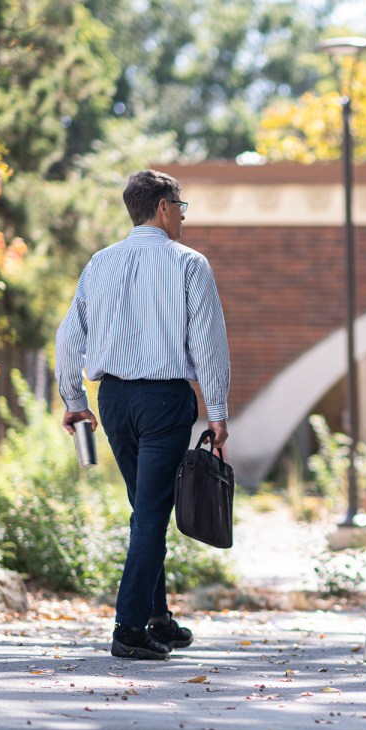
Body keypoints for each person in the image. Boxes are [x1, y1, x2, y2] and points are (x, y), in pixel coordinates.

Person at [55, 169, 231, 661]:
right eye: (181, 207)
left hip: (113, 401)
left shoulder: (100, 263)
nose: (182, 216)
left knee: (145, 509)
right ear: (162, 206)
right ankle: (129, 628)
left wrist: (74, 400)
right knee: (152, 512)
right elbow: (208, 344)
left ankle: (157, 617)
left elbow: (69, 335)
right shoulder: (189, 264)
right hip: (163, 401)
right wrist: (216, 411)